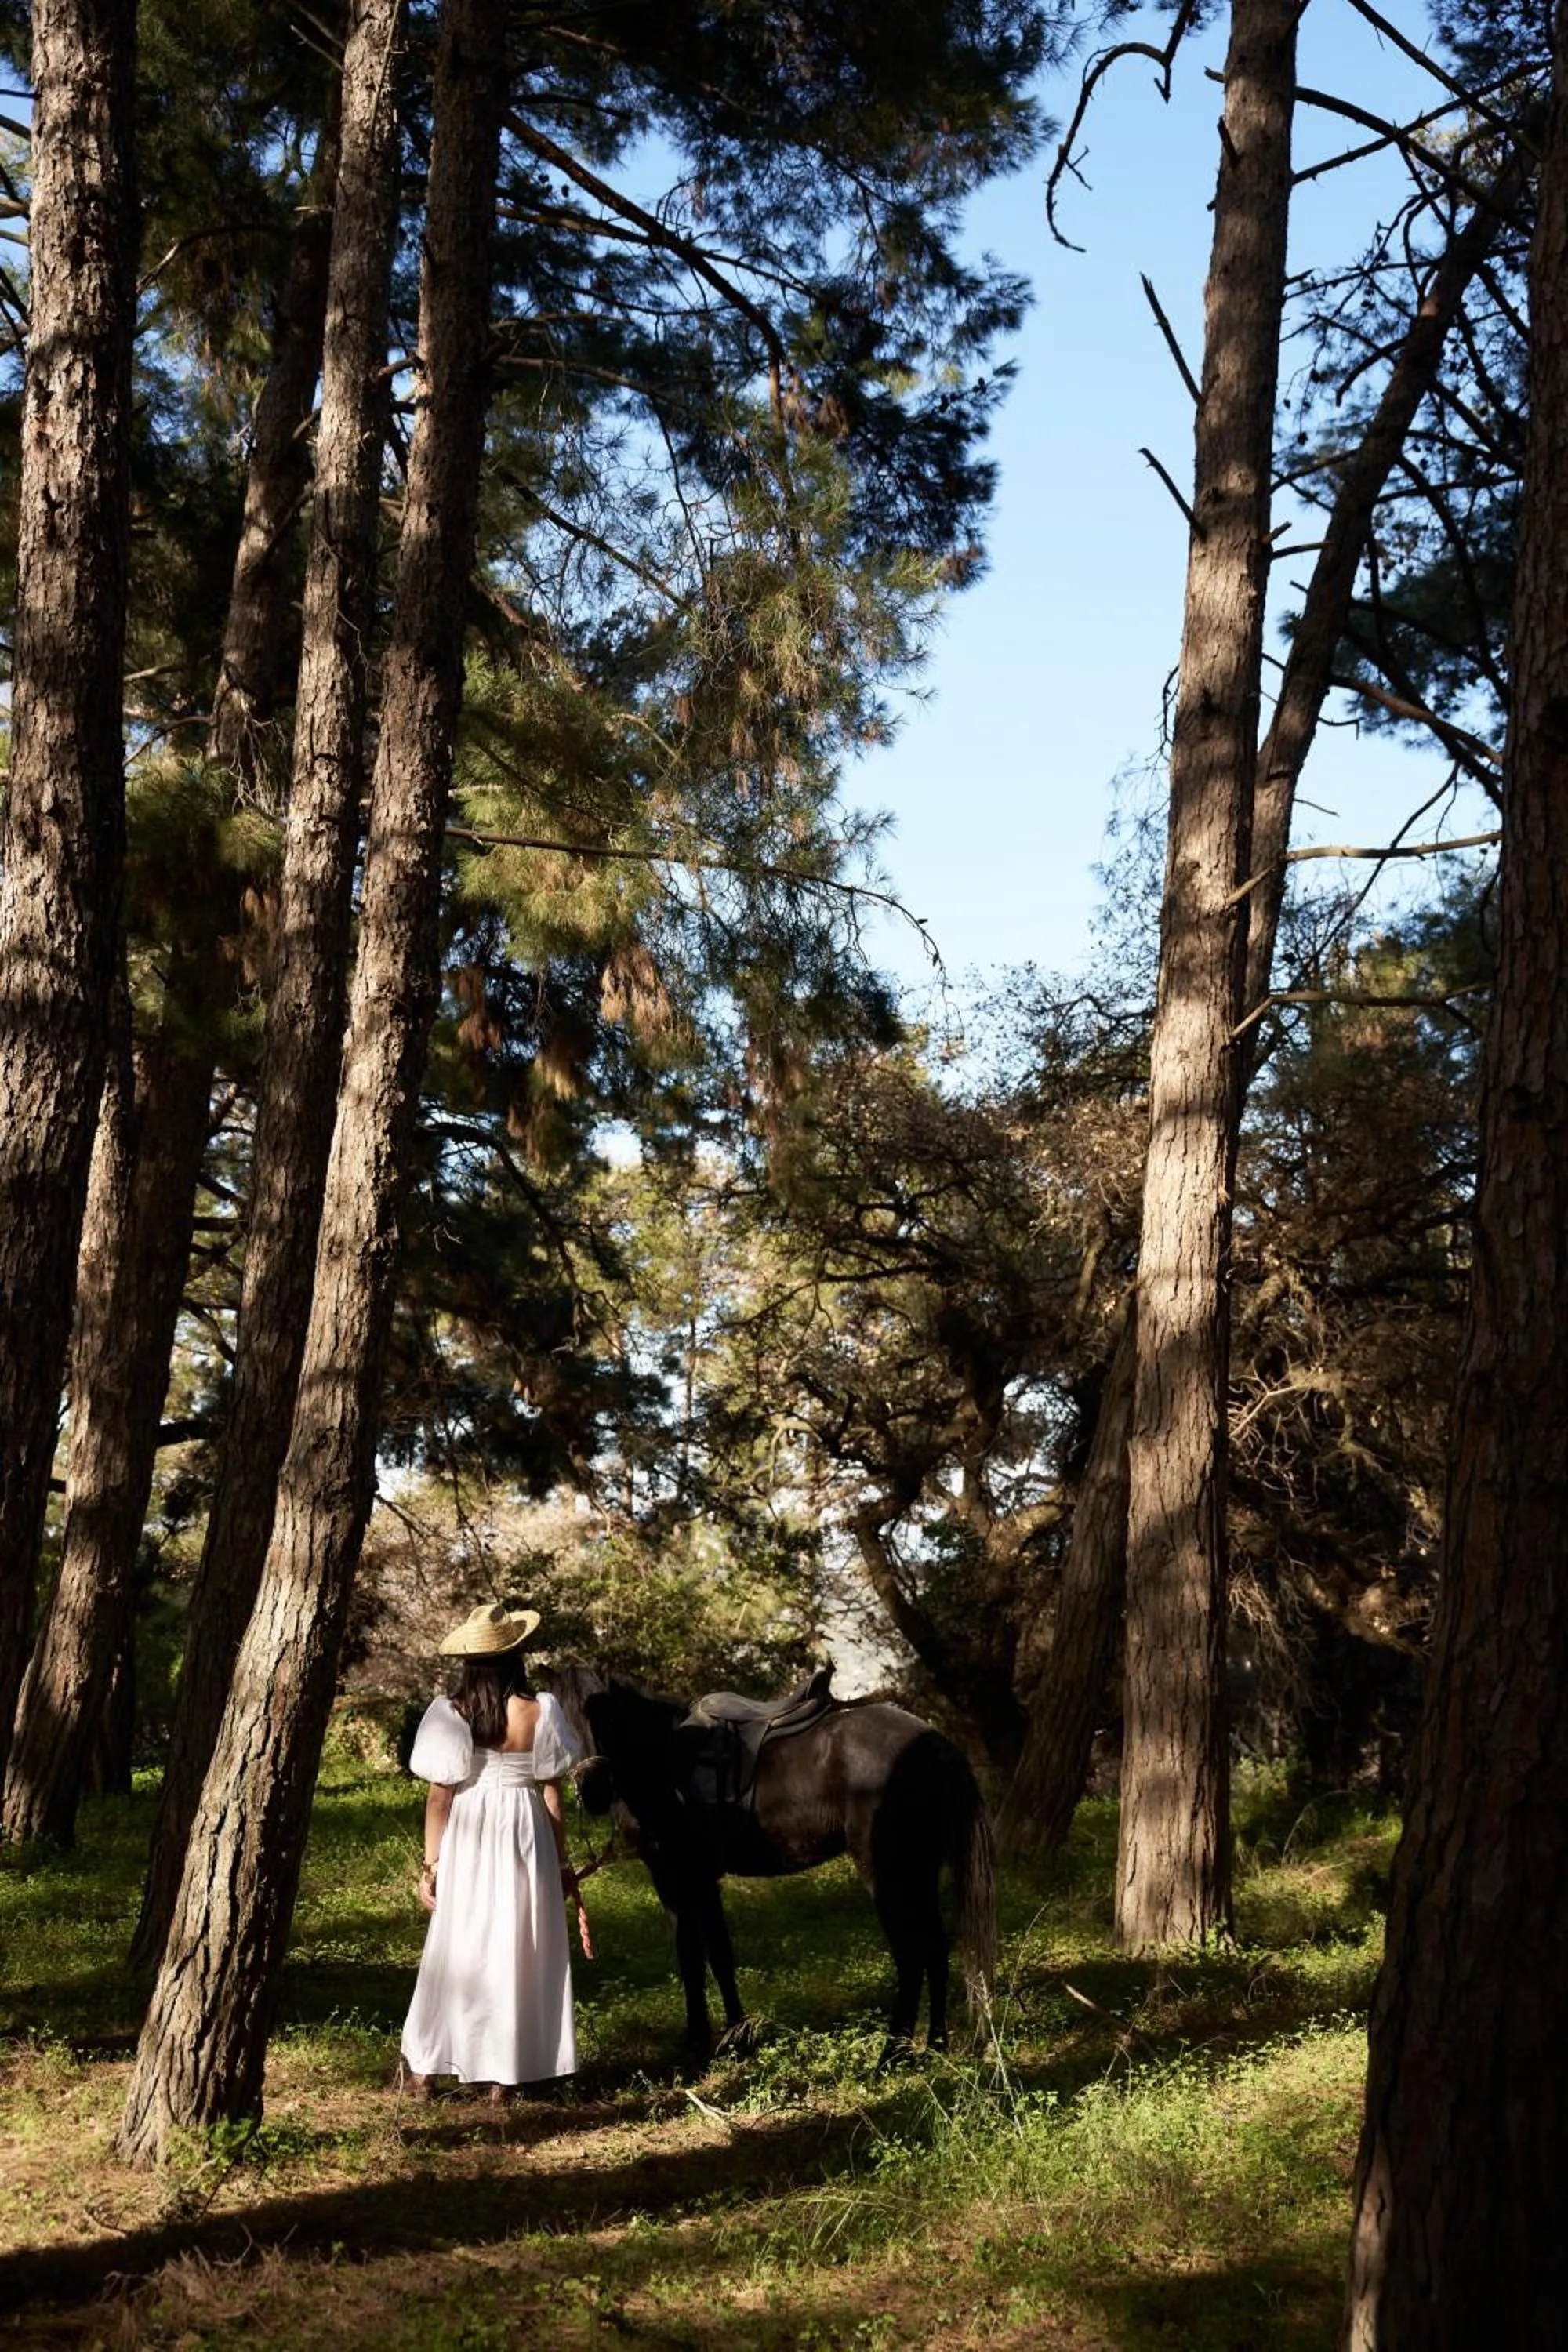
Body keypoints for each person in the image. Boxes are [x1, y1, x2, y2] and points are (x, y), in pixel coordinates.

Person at [400, 1602, 582, 2103]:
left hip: (472, 1834)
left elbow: (441, 1796)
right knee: (522, 1945)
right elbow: (550, 1791)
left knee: (461, 1944)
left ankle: (429, 2071)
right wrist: (562, 1863)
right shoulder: (541, 1710)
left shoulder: (451, 1711)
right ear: (515, 1655)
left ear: (469, 1661)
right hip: (527, 1835)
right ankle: (508, 2074)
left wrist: (432, 1866)